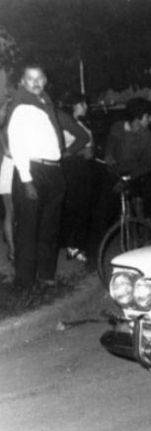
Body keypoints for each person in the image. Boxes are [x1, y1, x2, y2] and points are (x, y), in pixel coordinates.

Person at [6, 63, 66, 292]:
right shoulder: (21, 106)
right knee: (29, 230)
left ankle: (47, 276)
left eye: (40, 78)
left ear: (45, 80)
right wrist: (26, 179)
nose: (36, 82)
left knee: (49, 228)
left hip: (53, 170)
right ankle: (23, 283)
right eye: (30, 79)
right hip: (32, 171)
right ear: (22, 82)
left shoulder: (45, 104)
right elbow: (17, 144)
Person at [104, 97, 151, 217]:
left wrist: (128, 179)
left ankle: (146, 227)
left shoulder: (147, 136)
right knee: (105, 205)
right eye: (147, 116)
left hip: (135, 175)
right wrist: (109, 159)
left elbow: (146, 164)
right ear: (138, 117)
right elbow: (109, 151)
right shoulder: (117, 128)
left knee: (149, 195)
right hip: (115, 173)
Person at [58, 94, 93, 263]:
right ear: (73, 105)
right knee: (75, 208)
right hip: (73, 168)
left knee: (82, 208)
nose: (85, 107)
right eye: (82, 104)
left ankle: (76, 244)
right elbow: (65, 150)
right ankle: (72, 246)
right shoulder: (66, 125)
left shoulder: (82, 123)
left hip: (83, 168)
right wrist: (74, 153)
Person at [0, 98, 14, 263]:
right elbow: (9, 152)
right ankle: (12, 250)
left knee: (11, 213)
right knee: (12, 213)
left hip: (8, 169)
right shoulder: (6, 128)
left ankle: (13, 249)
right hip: (11, 169)